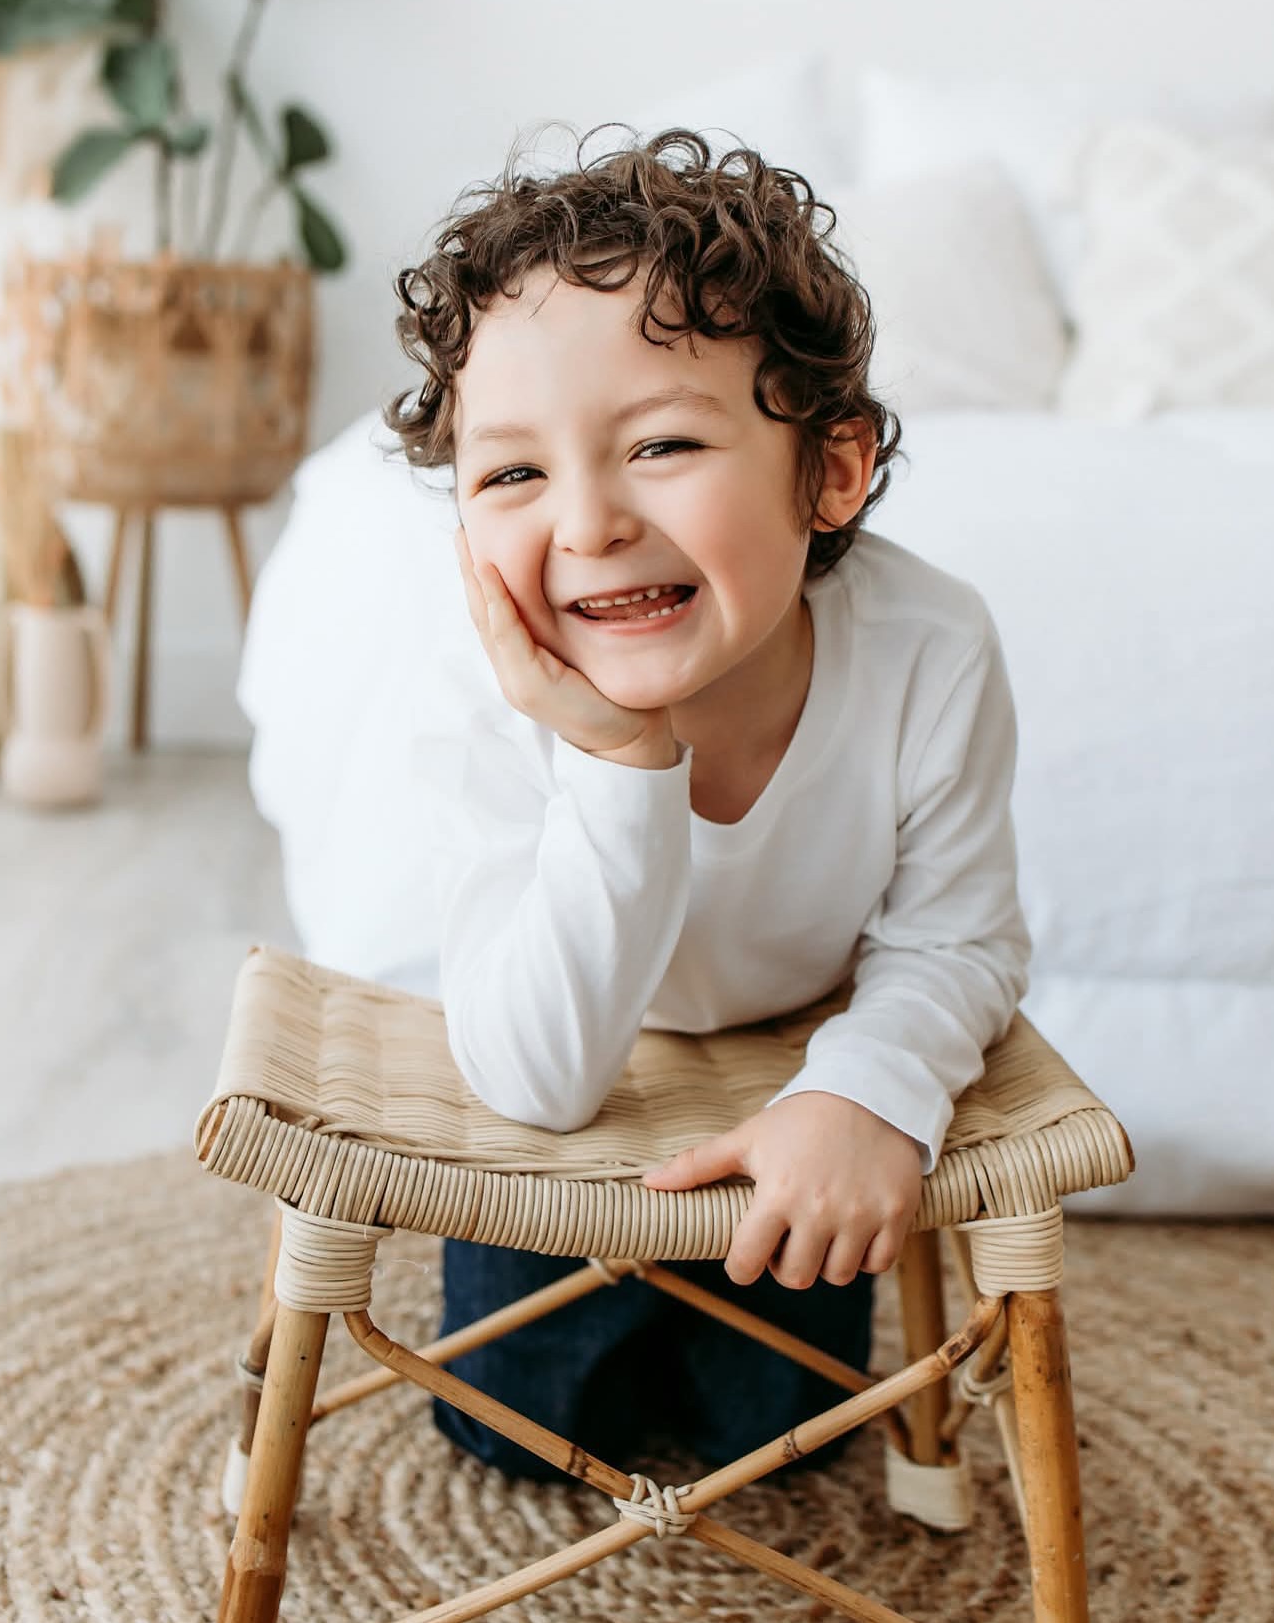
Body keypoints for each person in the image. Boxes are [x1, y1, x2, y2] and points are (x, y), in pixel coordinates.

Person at [373, 128, 1031, 1481]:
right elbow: (539, 1082)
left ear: (831, 470)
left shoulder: (931, 647)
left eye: (661, 442)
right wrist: (617, 758)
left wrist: (867, 1092)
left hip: (790, 1075)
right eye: (512, 473)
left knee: (780, 1442)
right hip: (574, 1079)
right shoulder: (476, 687)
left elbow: (959, 939)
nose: (592, 523)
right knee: (517, 1434)